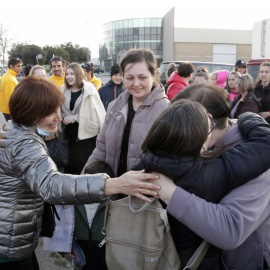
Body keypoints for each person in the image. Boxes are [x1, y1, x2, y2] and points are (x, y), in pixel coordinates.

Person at [0, 76, 161, 270]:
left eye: (58, 109)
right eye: (51, 112)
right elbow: (52, 185)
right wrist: (113, 184)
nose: (58, 117)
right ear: (30, 113)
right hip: (9, 245)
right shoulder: (25, 144)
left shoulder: (15, 132)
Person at [132, 95, 270, 269]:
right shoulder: (207, 172)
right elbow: (266, 145)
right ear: (198, 141)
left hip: (146, 256)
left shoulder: (140, 166)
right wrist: (249, 116)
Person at [84, 48, 170, 179]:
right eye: (130, 78)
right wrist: (84, 181)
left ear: (154, 76)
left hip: (144, 192)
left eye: (142, 77)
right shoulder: (114, 107)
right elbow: (101, 149)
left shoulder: (166, 110)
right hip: (113, 187)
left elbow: (169, 160)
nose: (136, 84)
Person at [65, 161, 113, 270]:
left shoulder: (113, 204)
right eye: (86, 181)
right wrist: (65, 251)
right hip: (82, 256)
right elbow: (63, 228)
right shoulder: (74, 201)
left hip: (105, 257)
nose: (88, 186)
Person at [61, 63, 106, 174]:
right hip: (69, 133)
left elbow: (94, 112)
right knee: (70, 164)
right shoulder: (63, 90)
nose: (69, 77)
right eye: (67, 74)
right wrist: (63, 118)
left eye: (72, 74)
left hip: (85, 134)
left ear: (78, 74)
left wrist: (73, 118)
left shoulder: (89, 90)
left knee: (83, 163)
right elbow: (59, 109)